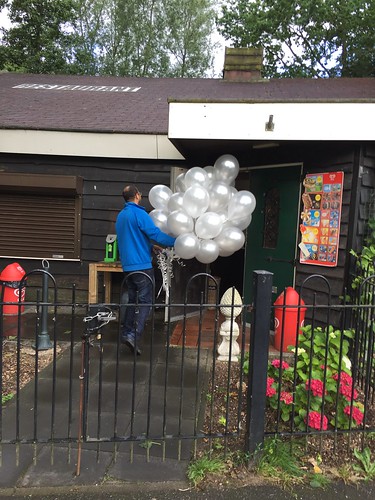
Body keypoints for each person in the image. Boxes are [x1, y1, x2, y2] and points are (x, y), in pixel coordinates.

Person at [115, 185, 176, 355]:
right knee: (145, 303)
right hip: (142, 266)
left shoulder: (121, 216)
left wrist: (150, 247)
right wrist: (177, 242)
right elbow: (155, 233)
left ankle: (126, 333)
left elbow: (131, 238)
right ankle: (134, 336)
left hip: (128, 267)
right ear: (137, 195)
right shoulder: (139, 213)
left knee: (132, 299)